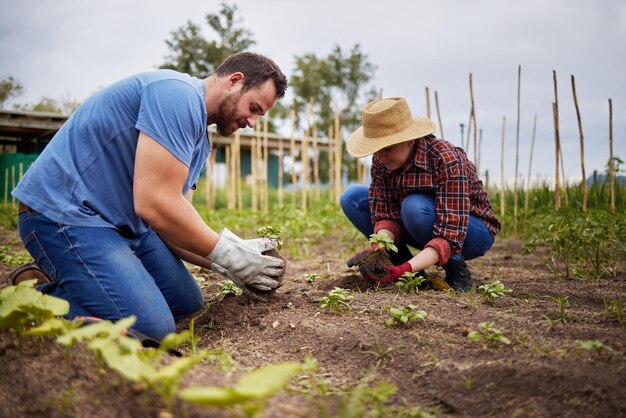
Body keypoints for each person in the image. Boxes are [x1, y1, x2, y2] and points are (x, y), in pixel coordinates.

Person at [10, 52, 288, 340]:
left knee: (186, 303)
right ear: (235, 81)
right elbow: (155, 203)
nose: (253, 122)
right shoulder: (176, 97)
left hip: (122, 224)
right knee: (150, 329)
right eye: (254, 108)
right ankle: (32, 296)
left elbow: (174, 223)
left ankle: (79, 284)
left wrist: (232, 258)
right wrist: (230, 256)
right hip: (65, 216)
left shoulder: (200, 142)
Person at [341, 97, 500, 291]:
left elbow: (450, 233)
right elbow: (385, 215)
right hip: (420, 223)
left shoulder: (445, 158)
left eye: (387, 148)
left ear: (408, 140)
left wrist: (403, 270)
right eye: (376, 150)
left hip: (470, 232)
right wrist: (378, 248)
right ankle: (404, 266)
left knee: (413, 206)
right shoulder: (382, 161)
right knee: (352, 198)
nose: (380, 156)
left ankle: (457, 271)